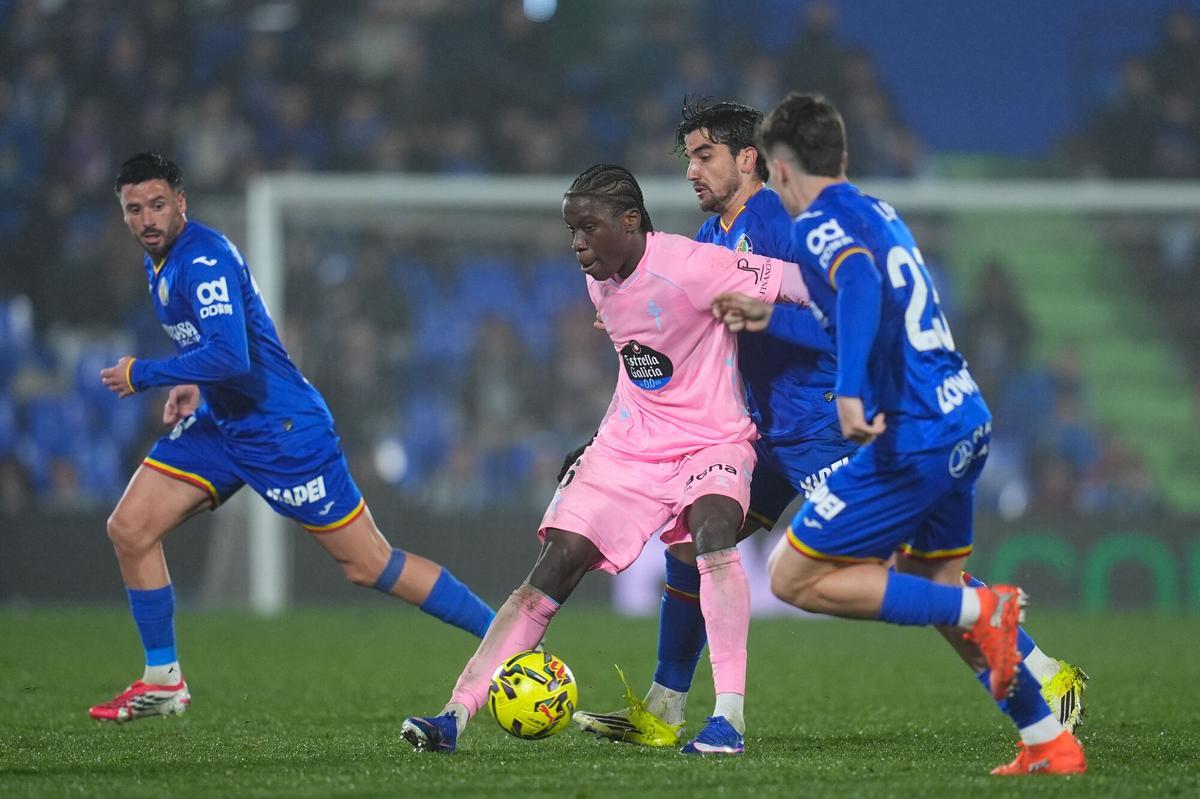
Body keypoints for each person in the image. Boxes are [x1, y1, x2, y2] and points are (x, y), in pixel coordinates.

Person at [574, 99, 1088, 747]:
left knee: (912, 571)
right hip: (763, 434)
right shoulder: (710, 239)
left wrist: (777, 327)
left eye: (705, 156)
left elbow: (844, 312)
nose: (692, 172)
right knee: (689, 543)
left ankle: (1045, 671)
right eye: (689, 159)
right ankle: (666, 706)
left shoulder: (785, 224)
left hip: (821, 425)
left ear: (749, 159)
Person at [400, 163, 811, 756]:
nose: (578, 245)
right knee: (556, 561)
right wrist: (598, 440)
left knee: (712, 535)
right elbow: (638, 364)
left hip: (713, 439)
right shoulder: (601, 278)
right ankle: (453, 717)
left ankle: (728, 721)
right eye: (571, 231)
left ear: (630, 222)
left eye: (588, 228)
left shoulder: (694, 267)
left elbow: (802, 283)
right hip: (630, 445)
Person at [90, 152, 495, 723]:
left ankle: (503, 636)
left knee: (369, 565)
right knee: (130, 528)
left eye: (158, 204)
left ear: (181, 203)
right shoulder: (160, 264)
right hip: (225, 424)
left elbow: (232, 354)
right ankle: (163, 680)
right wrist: (192, 384)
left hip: (282, 432)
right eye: (135, 209)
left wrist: (148, 374)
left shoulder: (201, 260)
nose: (147, 218)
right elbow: (227, 348)